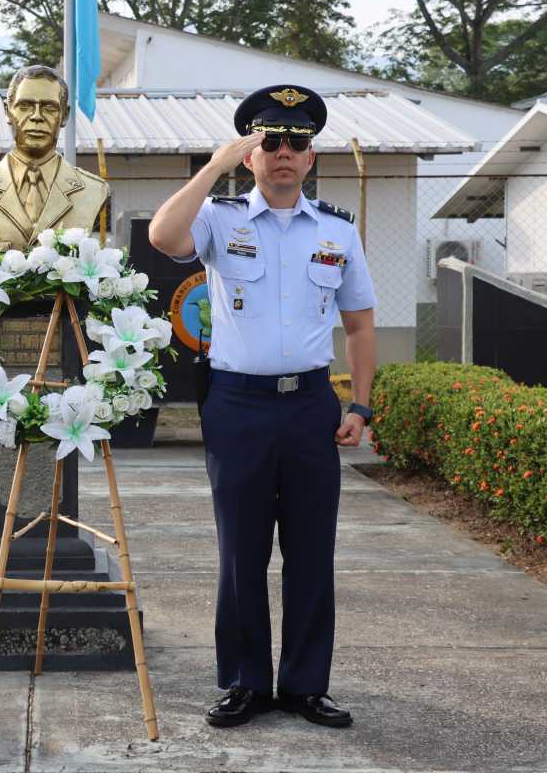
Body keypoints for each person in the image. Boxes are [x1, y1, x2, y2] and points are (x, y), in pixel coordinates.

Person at [148, 84, 377, 729]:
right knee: (241, 553)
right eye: (269, 141)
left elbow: (359, 327)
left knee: (311, 551)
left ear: (310, 157)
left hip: (310, 404)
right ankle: (247, 683)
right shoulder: (220, 219)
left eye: (295, 142)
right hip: (238, 405)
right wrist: (215, 165)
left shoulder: (337, 230)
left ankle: (304, 685)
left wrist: (360, 405)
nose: (282, 152)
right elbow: (165, 236)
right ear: (251, 153)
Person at [0, 65, 108, 252]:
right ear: (7, 112)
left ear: (64, 115)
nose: (37, 116)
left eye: (50, 107)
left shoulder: (93, 189)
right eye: (25, 105)